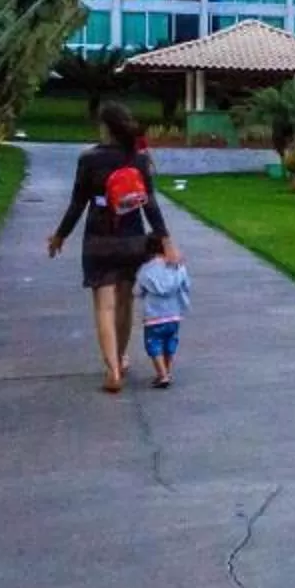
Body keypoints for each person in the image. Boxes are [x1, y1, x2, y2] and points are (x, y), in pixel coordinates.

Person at [46, 102, 167, 394]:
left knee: (104, 305)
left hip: (98, 238)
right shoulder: (137, 159)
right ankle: (122, 358)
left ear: (105, 128)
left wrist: (60, 236)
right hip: (132, 238)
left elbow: (77, 203)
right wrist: (165, 240)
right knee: (125, 302)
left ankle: (112, 369)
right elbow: (150, 204)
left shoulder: (89, 159)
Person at [133, 233, 191, 391]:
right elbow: (186, 285)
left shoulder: (145, 270)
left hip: (154, 316)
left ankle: (162, 374)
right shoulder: (177, 267)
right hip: (174, 314)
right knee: (170, 342)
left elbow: (137, 291)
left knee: (154, 344)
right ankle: (167, 370)